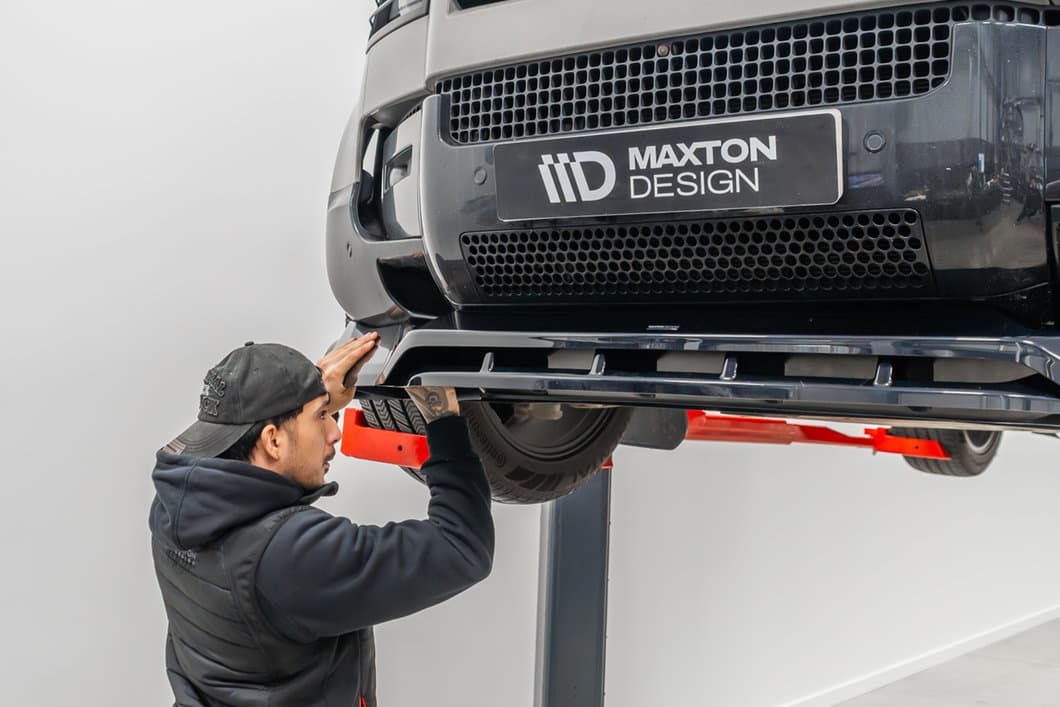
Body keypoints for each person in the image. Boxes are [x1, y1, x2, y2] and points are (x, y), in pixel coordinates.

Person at [149, 334, 494, 707]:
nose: (335, 432)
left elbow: (249, 469)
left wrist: (308, 393)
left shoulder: (174, 511)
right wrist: (443, 421)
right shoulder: (294, 556)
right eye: (321, 418)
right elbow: (462, 547)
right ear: (273, 441)